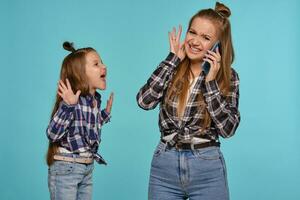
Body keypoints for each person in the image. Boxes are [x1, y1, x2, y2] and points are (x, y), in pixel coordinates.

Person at [136, 2, 240, 199]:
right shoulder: (173, 67)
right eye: (192, 32)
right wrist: (171, 59)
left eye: (206, 37)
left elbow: (228, 130)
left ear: (218, 45)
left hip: (206, 166)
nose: (195, 41)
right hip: (165, 164)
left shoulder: (229, 77)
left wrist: (210, 84)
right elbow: (144, 101)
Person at [46, 41, 113, 200]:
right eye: (96, 64)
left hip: (86, 167)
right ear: (80, 74)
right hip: (67, 167)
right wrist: (68, 106)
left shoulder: (93, 101)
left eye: (102, 62)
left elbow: (85, 128)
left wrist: (105, 114)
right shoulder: (71, 101)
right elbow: (52, 134)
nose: (104, 66)